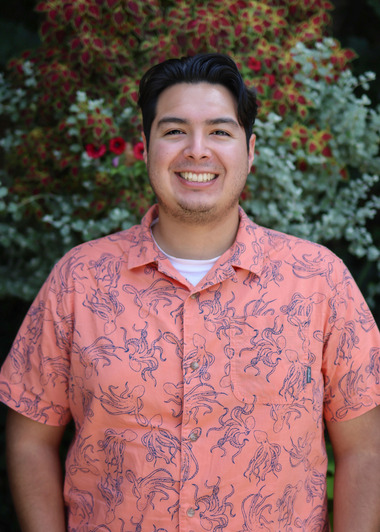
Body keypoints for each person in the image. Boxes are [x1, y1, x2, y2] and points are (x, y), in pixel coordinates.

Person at [1, 53, 379, 532]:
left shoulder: (320, 279)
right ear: (146, 146)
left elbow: (365, 450)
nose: (197, 150)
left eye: (220, 131)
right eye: (175, 130)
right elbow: (29, 438)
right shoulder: (79, 279)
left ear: (251, 150)